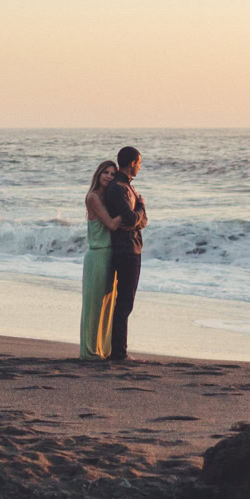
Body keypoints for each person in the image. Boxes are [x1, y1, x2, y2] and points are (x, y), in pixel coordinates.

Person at [95, 145, 147, 361]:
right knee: (124, 302)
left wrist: (139, 217)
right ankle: (119, 352)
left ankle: (118, 349)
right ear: (133, 163)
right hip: (126, 249)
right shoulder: (119, 188)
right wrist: (142, 207)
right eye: (140, 163)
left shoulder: (127, 187)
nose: (140, 167)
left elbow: (141, 221)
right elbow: (132, 218)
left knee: (126, 301)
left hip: (132, 247)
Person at [79, 160, 120, 359]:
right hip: (97, 256)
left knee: (107, 305)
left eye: (113, 174)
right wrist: (133, 212)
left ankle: (103, 350)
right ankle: (89, 351)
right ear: (99, 173)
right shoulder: (93, 197)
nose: (109, 177)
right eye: (106, 172)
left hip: (110, 256)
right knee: (93, 305)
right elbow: (112, 225)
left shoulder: (109, 197)